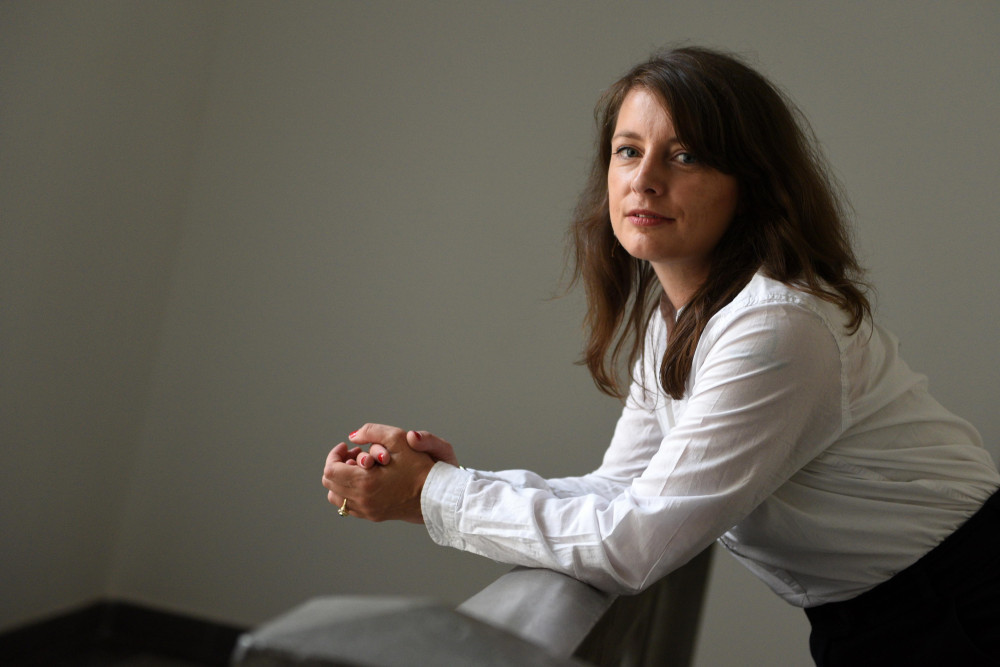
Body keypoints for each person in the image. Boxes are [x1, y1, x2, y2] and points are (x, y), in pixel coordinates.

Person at [321, 46, 1000, 665]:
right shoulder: (680, 320)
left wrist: (429, 492)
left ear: (751, 182)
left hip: (963, 602)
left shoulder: (773, 329)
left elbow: (631, 544)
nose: (643, 180)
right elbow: (622, 490)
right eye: (627, 151)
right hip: (887, 614)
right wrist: (441, 482)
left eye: (686, 156)